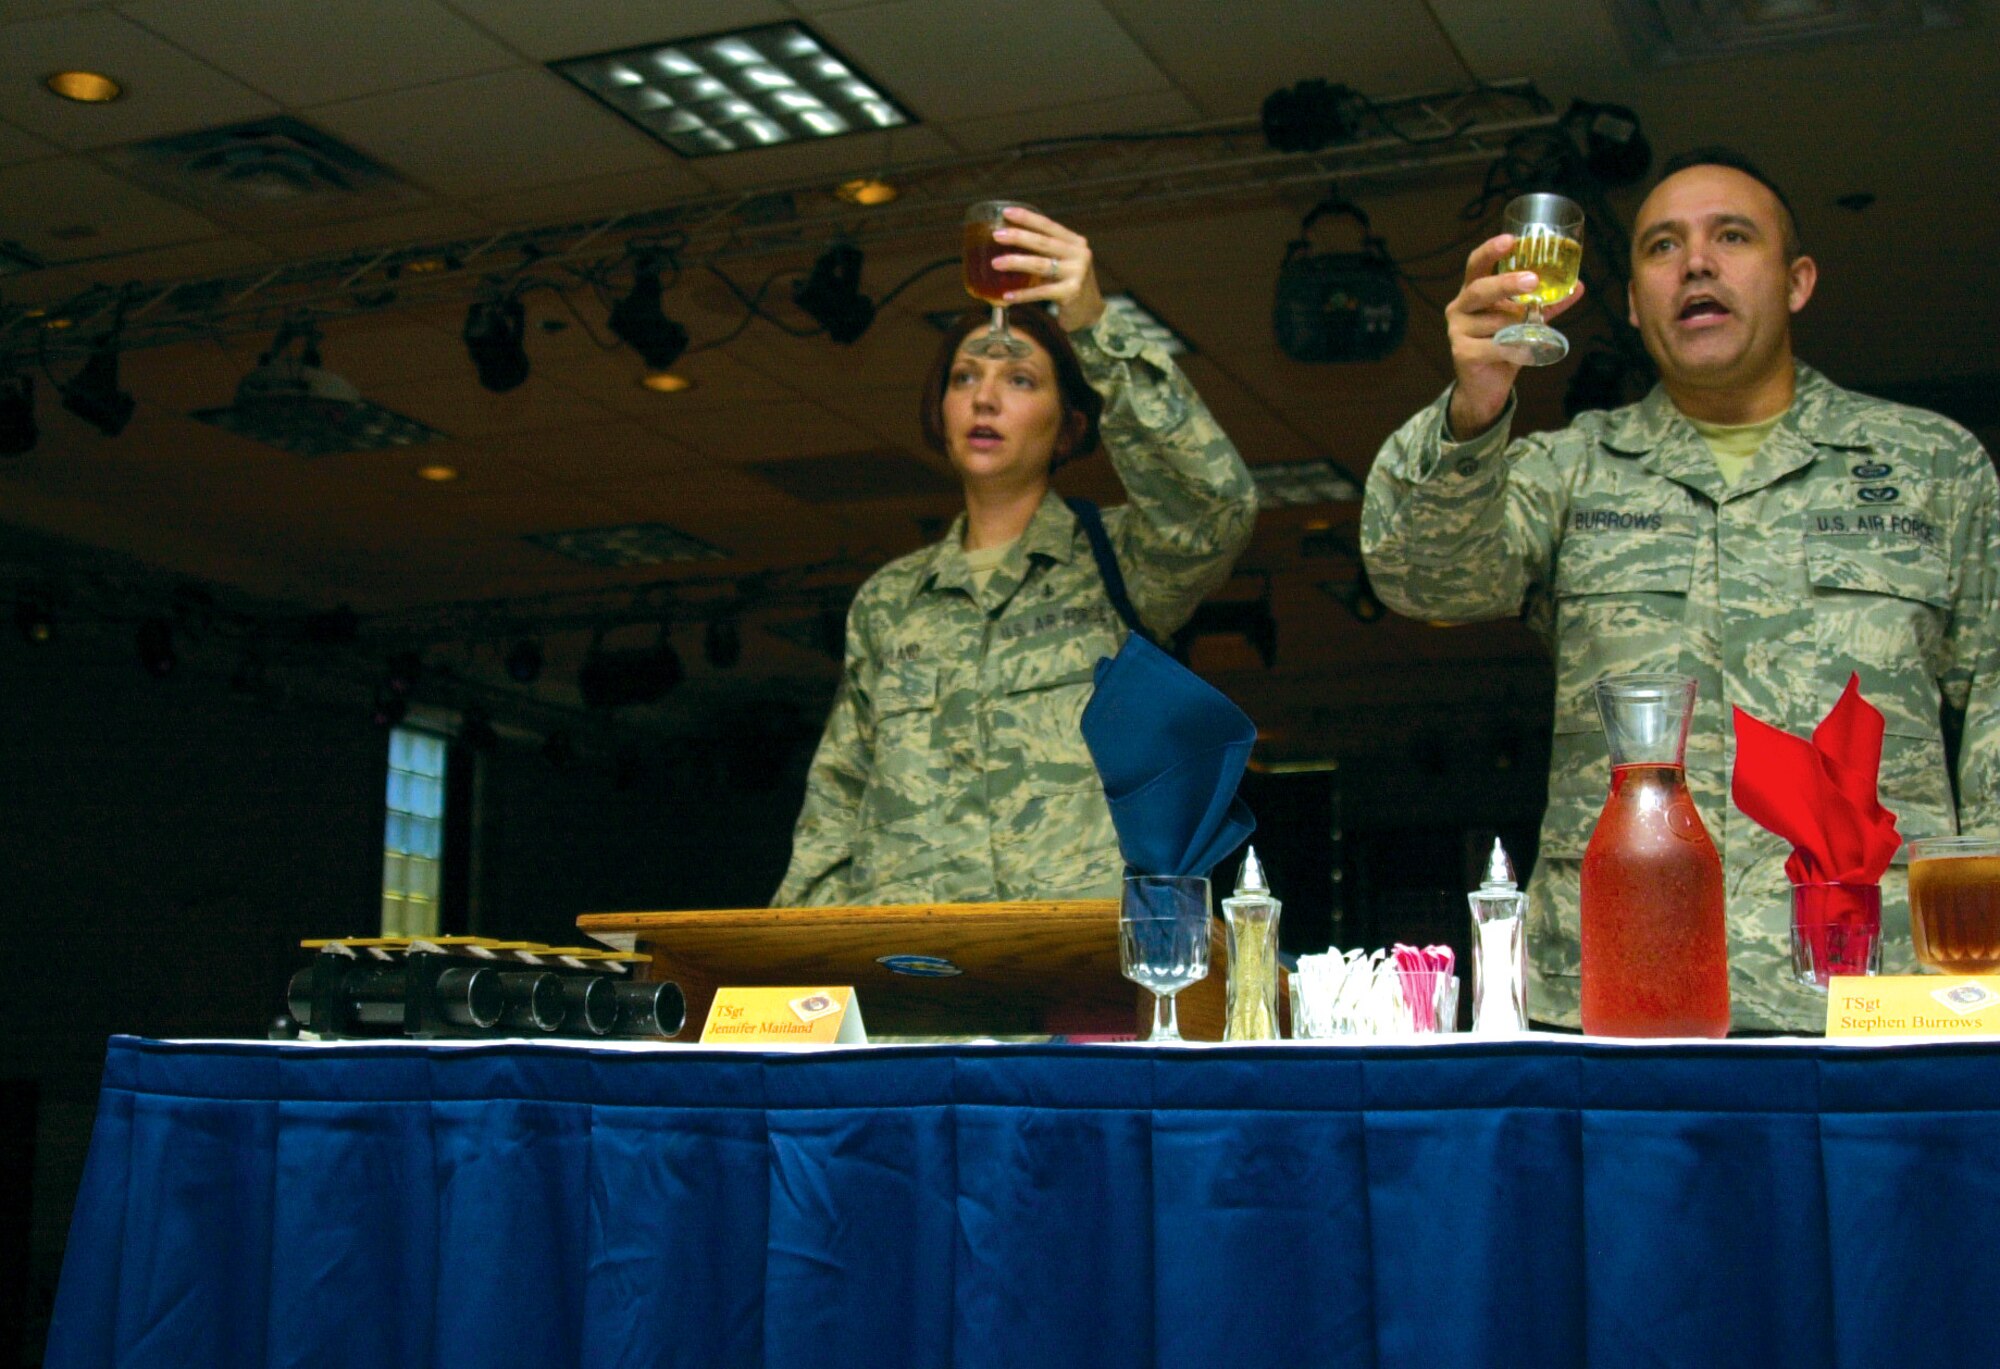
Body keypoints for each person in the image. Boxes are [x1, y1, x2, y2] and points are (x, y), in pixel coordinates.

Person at [1362, 148, 2000, 1031]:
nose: (1696, 262)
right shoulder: (1571, 469)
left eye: (1732, 237)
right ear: (1630, 302)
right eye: (1662, 247)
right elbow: (1417, 575)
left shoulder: (1932, 466)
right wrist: (1475, 403)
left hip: (1877, 993)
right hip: (1625, 996)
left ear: (1799, 281)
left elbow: (1995, 706)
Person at [775, 207, 1257, 906]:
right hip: (915, 983)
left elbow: (1216, 504)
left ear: (1071, 426)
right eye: (964, 378)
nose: (987, 397)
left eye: (1021, 380)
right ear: (938, 411)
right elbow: (839, 798)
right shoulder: (890, 599)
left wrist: (1094, 325)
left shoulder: (1121, 559)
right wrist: (797, 973)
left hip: (1076, 976)